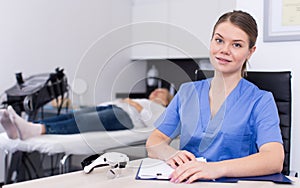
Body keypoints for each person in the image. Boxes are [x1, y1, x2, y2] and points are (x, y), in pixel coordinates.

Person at [146, 10, 284, 184]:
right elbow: (154, 141)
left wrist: (216, 168)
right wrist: (170, 153)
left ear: (250, 52)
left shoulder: (260, 100)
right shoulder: (188, 92)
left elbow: (274, 159)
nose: (224, 50)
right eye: (219, 40)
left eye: (237, 45)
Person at [0, 88, 173, 140]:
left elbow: (153, 125)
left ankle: (36, 129)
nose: (158, 92)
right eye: (156, 90)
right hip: (111, 108)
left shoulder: (162, 109)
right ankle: (20, 127)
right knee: (73, 115)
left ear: (167, 100)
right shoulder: (143, 100)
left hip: (126, 118)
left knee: (82, 121)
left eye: (162, 92)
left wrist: (134, 104)